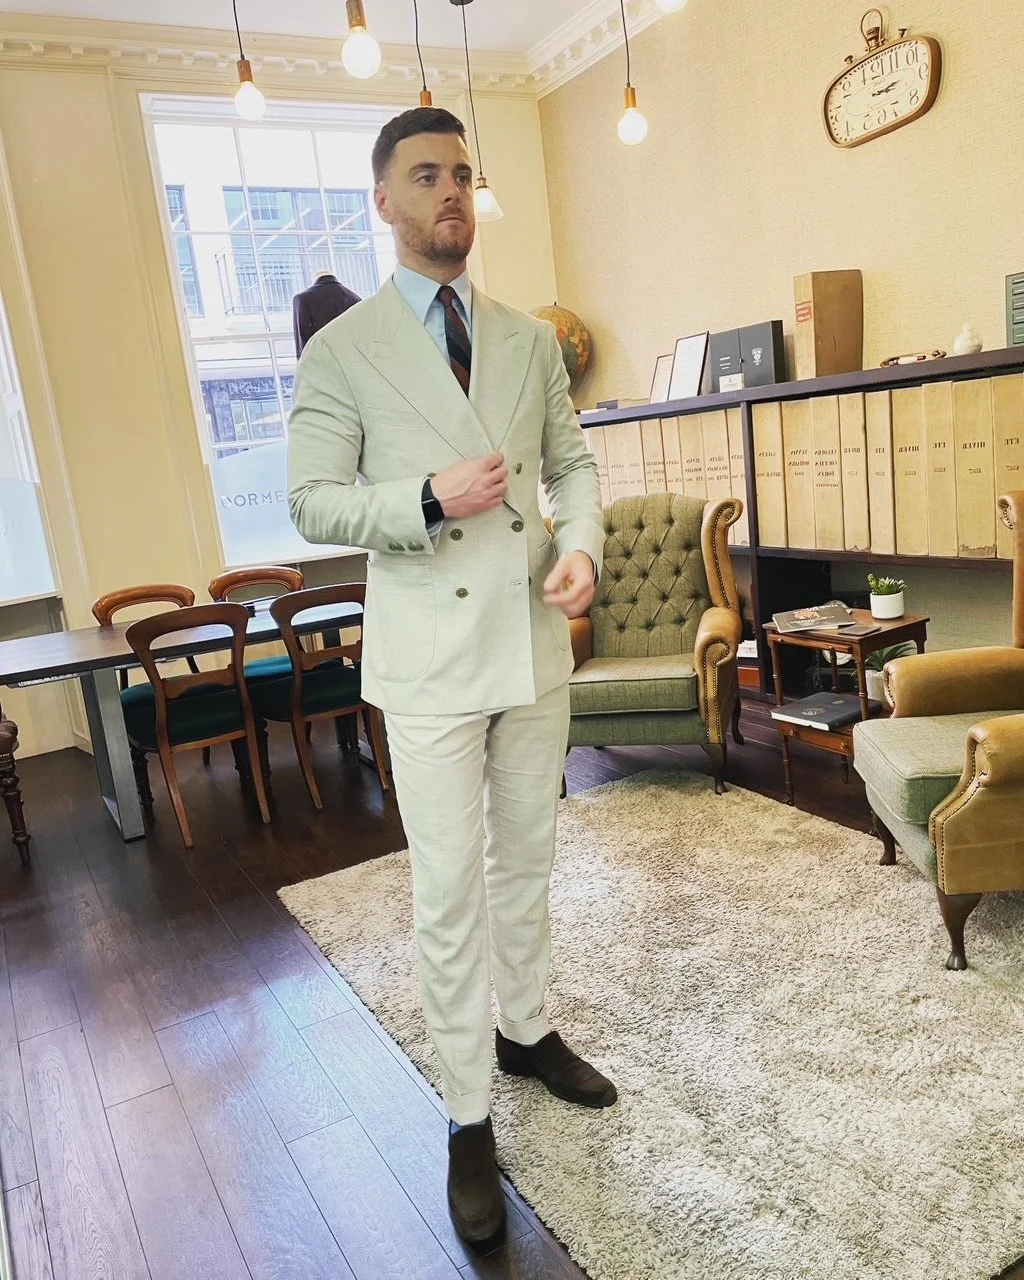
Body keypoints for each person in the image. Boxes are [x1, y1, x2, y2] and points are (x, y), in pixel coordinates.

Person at [287, 106, 615, 1245]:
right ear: (384, 202)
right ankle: (467, 1113)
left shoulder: (525, 339)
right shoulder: (343, 349)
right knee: (448, 888)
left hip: (529, 640)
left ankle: (525, 1029)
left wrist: (580, 549)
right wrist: (427, 497)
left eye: (464, 176)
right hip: (427, 657)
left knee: (530, 857)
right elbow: (312, 499)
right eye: (426, 177)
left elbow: (572, 463)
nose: (451, 195)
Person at [292, 271, 361, 356]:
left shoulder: (302, 299)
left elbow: (302, 339)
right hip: (350, 359)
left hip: (320, 360)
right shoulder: (355, 298)